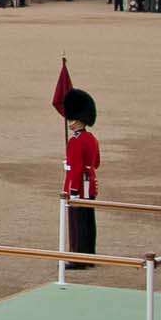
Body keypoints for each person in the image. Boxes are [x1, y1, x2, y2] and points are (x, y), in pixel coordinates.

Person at [62, 88, 100, 269]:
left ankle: (78, 258)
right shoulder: (91, 139)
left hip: (79, 185)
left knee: (77, 223)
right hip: (90, 183)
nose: (70, 123)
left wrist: (73, 191)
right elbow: (96, 162)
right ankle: (89, 255)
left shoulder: (76, 141)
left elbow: (76, 169)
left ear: (79, 120)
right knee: (88, 221)